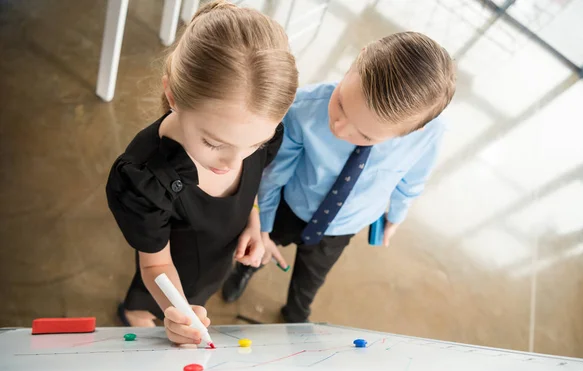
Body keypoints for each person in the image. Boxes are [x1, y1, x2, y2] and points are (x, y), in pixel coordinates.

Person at [222, 32, 456, 323]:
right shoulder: (304, 109)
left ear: (414, 131)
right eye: (342, 104)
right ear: (356, 61)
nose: (340, 128)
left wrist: (395, 218)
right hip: (290, 206)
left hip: (343, 225)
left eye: (366, 135)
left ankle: (295, 315)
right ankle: (246, 269)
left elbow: (410, 182)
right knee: (259, 248)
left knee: (310, 281)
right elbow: (274, 174)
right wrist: (263, 229)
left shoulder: (429, 137)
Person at [106, 0, 298, 343]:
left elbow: (252, 183)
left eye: (254, 145)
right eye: (213, 143)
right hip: (168, 264)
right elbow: (155, 266)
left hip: (217, 255)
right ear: (173, 95)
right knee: (149, 297)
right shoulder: (144, 180)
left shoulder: (255, 133)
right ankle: (132, 312)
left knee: (201, 290)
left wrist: (253, 219)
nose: (234, 163)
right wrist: (177, 311)